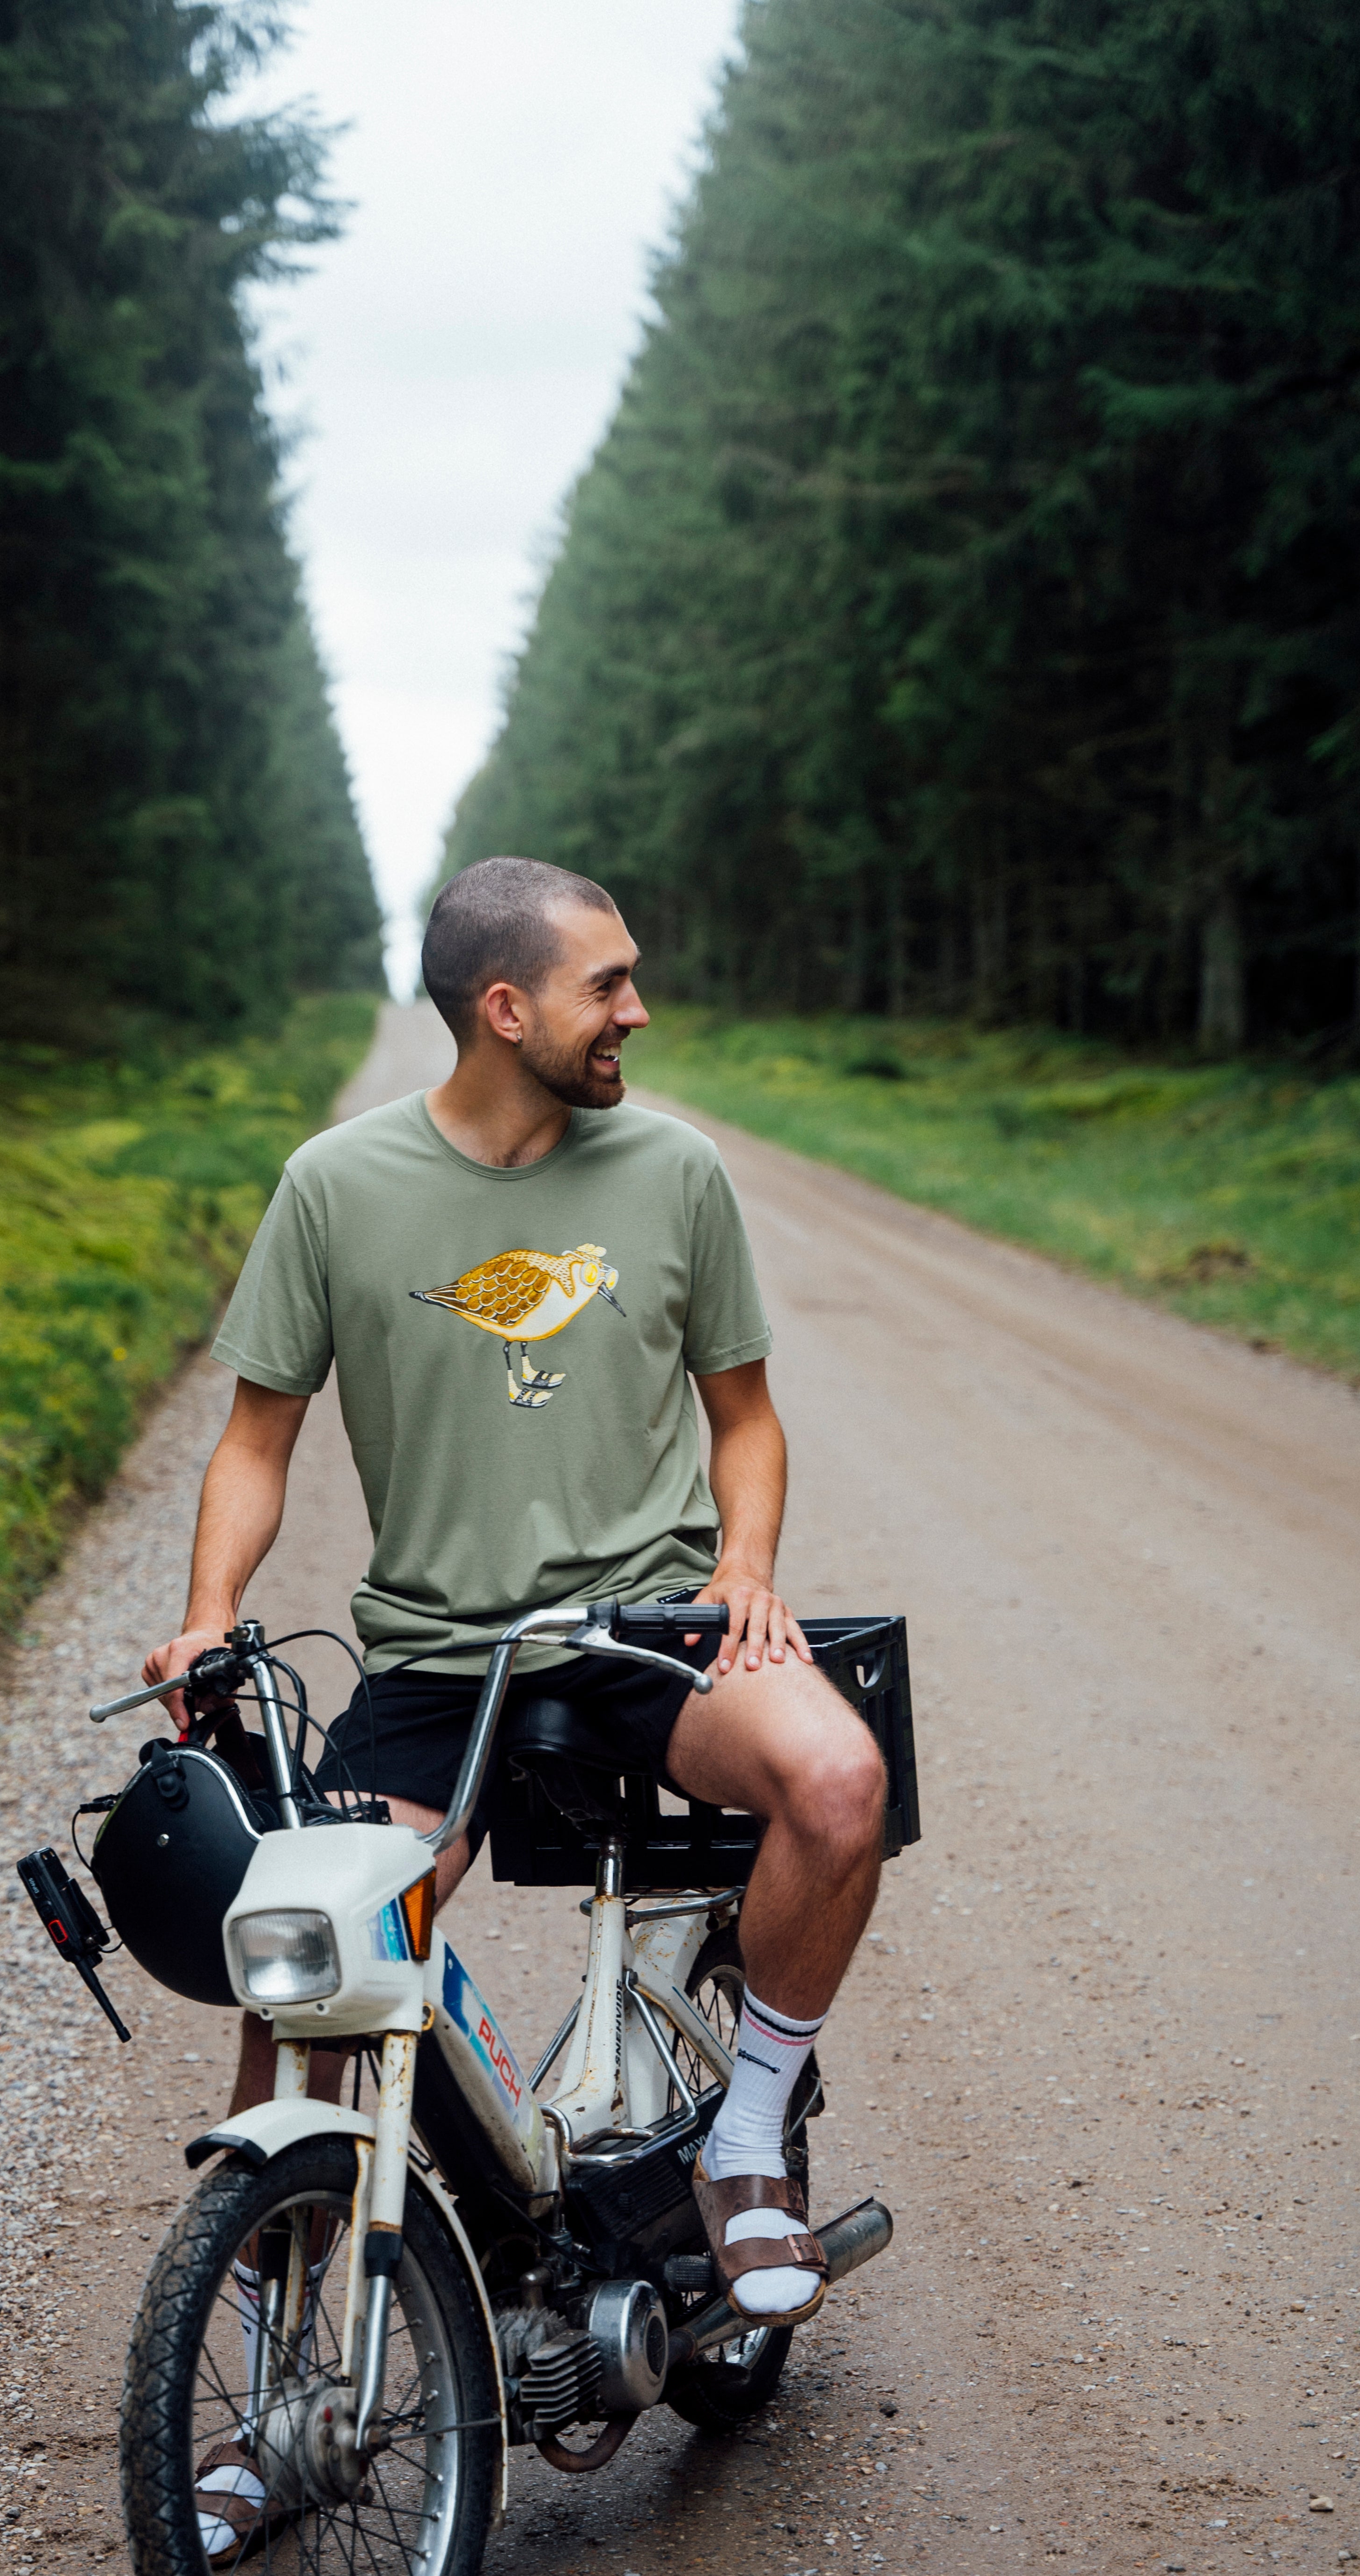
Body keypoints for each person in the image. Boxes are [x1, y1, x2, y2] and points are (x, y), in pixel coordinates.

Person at [143, 854, 886, 2339]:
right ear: (504, 1009)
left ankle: (744, 2142)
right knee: (309, 1983)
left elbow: (744, 1415)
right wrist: (210, 1606)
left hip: (648, 1629)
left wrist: (743, 1571)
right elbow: (256, 1432)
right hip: (434, 1658)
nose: (639, 1010)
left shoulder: (674, 1170)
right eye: (606, 985)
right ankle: (274, 2379)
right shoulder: (334, 1186)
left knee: (841, 1780)